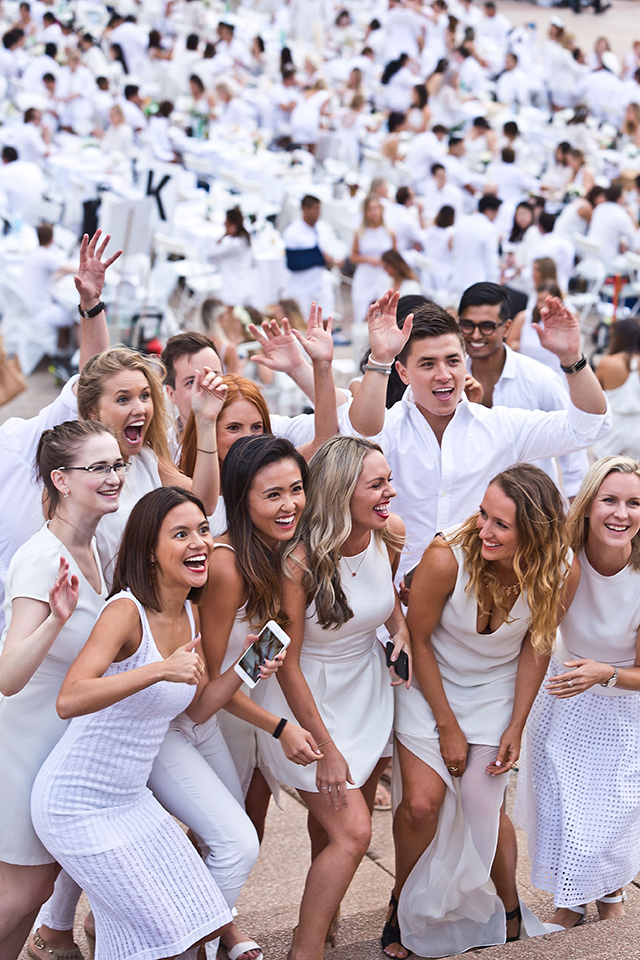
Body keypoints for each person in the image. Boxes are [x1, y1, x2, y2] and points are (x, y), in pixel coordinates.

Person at [29, 486, 283, 960]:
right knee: (169, 940)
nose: (199, 543)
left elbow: (198, 707)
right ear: (150, 551)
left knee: (188, 935)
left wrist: (252, 665)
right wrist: (157, 669)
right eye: (181, 534)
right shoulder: (125, 611)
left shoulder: (188, 610)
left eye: (203, 530)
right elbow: (70, 698)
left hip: (131, 802)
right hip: (76, 804)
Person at [384, 464, 577, 958]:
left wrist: (516, 723)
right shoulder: (446, 557)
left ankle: (509, 910)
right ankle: (399, 903)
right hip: (431, 685)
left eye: (501, 524)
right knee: (421, 805)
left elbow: (537, 645)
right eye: (483, 515)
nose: (484, 530)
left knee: (481, 802)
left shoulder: (560, 568)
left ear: (534, 532)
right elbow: (419, 641)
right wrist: (447, 725)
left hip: (495, 690)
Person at [254, 436, 411, 958]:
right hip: (308, 699)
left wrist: (401, 628)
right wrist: (327, 748)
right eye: (378, 484)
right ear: (343, 492)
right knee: (354, 833)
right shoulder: (299, 560)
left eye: (388, 479)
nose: (391, 491)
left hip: (367, 693)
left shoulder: (389, 534)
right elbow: (288, 663)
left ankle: (324, 922)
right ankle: (306, 950)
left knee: (333, 832)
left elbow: (380, 597)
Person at [346, 291, 610, 583]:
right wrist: (380, 359)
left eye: (453, 361)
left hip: (476, 603)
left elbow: (588, 427)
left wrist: (572, 357)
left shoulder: (499, 426)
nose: (444, 374)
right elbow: (357, 436)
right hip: (390, 603)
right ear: (403, 372)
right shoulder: (388, 427)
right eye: (428, 364)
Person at [0, 421, 123, 960]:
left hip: (64, 749)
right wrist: (54, 621)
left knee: (34, 894)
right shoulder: (40, 557)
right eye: (99, 467)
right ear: (61, 480)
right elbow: (7, 676)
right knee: (19, 895)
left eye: (117, 464)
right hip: (23, 748)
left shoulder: (94, 546)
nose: (115, 475)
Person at [516, 456, 640, 931]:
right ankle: (571, 904)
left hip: (623, 701)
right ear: (588, 506)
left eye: (633, 502)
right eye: (609, 500)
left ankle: (610, 899)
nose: (620, 513)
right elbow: (538, 634)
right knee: (566, 811)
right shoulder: (566, 562)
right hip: (566, 697)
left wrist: (605, 673)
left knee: (610, 817)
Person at [77, 345, 226, 586]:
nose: (140, 409)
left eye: (145, 396)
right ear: (92, 411)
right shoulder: (75, 475)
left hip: (154, 605)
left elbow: (205, 503)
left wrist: (206, 421)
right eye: (123, 399)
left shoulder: (147, 458)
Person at [459, 282, 588, 498]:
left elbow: (575, 443)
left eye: (487, 326)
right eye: (467, 325)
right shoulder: (449, 380)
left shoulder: (540, 379)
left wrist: (576, 510)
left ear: (506, 328)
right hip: (469, 504)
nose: (476, 334)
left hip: (533, 507)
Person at [282, 196, 340, 318]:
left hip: (321, 282)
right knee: (303, 321)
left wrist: (331, 260)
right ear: (304, 209)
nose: (317, 213)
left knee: (325, 317)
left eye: (319, 209)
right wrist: (318, 258)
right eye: (314, 209)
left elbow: (332, 251)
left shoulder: (324, 228)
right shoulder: (292, 232)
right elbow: (293, 263)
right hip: (301, 286)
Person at [592, 318, 640, 460]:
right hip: (638, 426)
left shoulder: (608, 362)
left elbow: (593, 393)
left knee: (601, 475)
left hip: (614, 426)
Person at [351, 195, 396, 326]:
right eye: (370, 209)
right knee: (361, 310)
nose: (374, 212)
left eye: (376, 208)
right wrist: (369, 259)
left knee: (383, 310)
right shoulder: (360, 233)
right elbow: (353, 256)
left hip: (383, 275)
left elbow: (395, 256)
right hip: (365, 275)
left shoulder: (389, 232)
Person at [207, 207, 254, 306]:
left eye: (226, 222)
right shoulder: (244, 239)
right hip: (241, 282)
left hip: (234, 287)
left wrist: (222, 237)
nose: (224, 224)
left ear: (233, 225)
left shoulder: (235, 244)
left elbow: (211, 254)